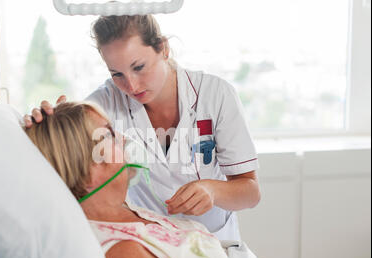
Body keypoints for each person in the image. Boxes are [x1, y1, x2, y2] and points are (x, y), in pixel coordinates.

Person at [24, 101, 305, 258]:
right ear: (86, 169)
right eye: (109, 134)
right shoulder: (125, 256)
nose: (123, 138)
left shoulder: (118, 210)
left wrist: (57, 124)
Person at [24, 15, 261, 241]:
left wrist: (213, 190)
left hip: (217, 241)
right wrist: (46, 124)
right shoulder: (105, 104)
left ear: (163, 49)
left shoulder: (216, 95)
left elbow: (250, 193)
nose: (130, 85)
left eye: (138, 67)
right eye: (117, 74)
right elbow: (67, 147)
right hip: (153, 244)